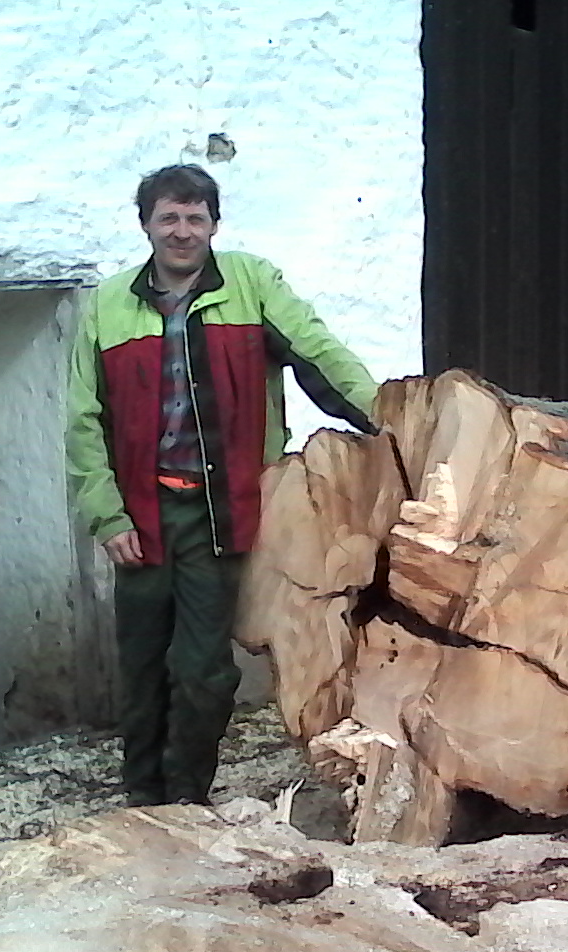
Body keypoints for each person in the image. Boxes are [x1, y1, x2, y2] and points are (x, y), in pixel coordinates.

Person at [66, 164, 377, 804]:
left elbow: (319, 355)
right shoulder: (108, 304)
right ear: (146, 225)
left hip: (218, 510)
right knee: (143, 662)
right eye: (168, 218)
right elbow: (82, 418)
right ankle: (143, 796)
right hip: (141, 514)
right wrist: (106, 513)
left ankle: (187, 796)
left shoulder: (251, 284)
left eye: (195, 218)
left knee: (203, 668)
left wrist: (389, 417)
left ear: (214, 225)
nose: (182, 231)